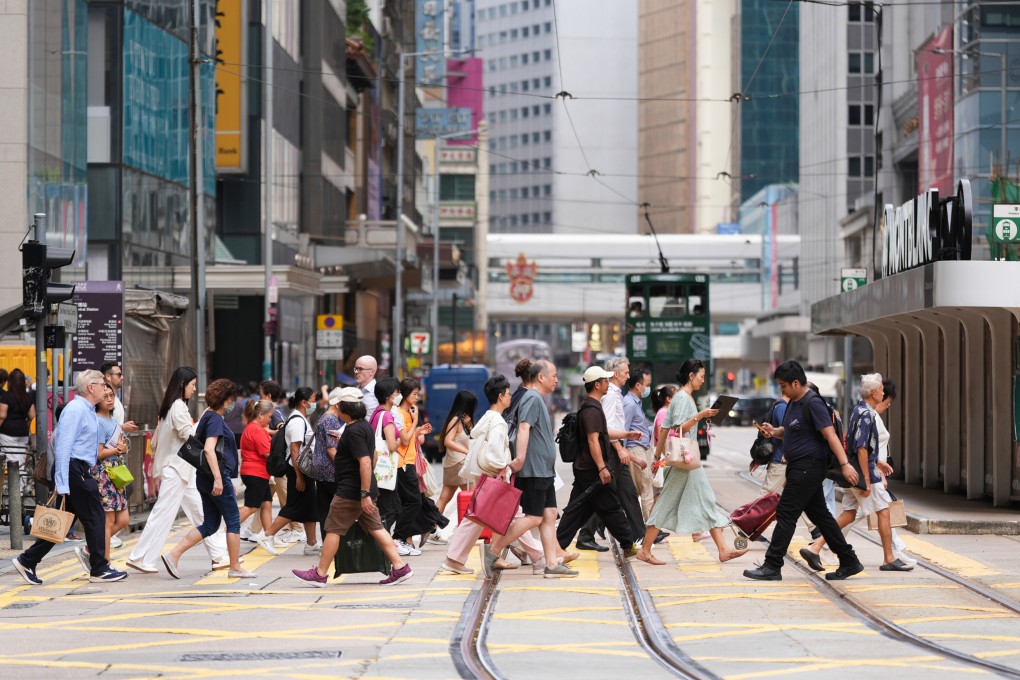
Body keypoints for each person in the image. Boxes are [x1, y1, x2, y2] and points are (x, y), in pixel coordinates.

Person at [743, 360, 863, 582]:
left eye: (784, 386)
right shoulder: (793, 403)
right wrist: (774, 431)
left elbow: (830, 435)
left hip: (809, 467)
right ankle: (849, 560)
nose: (782, 390)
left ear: (796, 382)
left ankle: (772, 565)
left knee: (787, 514)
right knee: (822, 517)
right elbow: (789, 431)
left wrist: (845, 465)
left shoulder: (813, 403)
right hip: (799, 467)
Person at [12, 370, 127, 585]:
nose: (105, 387)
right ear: (91, 387)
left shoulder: (87, 409)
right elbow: (64, 447)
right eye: (102, 384)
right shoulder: (75, 410)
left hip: (81, 470)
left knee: (62, 524)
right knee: (96, 517)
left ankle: (27, 560)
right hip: (75, 470)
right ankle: (100, 568)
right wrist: (62, 482)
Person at [292, 387, 413, 587]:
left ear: (342, 407)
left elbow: (366, 461)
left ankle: (320, 573)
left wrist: (364, 493)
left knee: (333, 528)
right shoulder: (362, 426)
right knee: (376, 527)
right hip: (361, 489)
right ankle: (400, 567)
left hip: (352, 491)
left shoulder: (354, 430)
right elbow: (372, 456)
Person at [798, 374, 912, 573]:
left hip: (857, 472)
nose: (884, 393)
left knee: (849, 514)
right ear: (874, 392)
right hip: (864, 473)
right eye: (881, 390)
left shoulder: (858, 410)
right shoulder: (867, 414)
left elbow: (857, 445)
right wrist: (867, 479)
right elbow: (861, 448)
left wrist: (879, 461)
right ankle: (889, 557)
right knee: (883, 512)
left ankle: (815, 547)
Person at [637, 359, 747, 565]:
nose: (703, 381)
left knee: (705, 501)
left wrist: (658, 457)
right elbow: (678, 428)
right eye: (701, 376)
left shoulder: (683, 397)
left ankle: (723, 549)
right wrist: (700, 415)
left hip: (688, 463)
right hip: (685, 462)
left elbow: (663, 429)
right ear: (691, 375)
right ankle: (645, 549)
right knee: (667, 504)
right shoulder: (682, 398)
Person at [127, 367, 229, 573]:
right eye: (192, 385)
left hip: (183, 469)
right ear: (182, 385)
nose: (193, 390)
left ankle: (219, 555)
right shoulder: (178, 406)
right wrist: (205, 419)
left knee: (201, 513)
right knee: (163, 514)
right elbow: (189, 435)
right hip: (176, 469)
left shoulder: (171, 406)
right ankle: (140, 558)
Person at [485, 360, 577, 579]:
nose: (556, 379)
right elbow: (524, 427)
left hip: (543, 470)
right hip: (534, 469)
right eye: (553, 375)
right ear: (541, 377)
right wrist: (521, 458)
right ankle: (493, 551)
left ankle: (551, 564)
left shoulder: (536, 398)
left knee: (549, 515)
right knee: (534, 517)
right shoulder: (533, 398)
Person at [161, 379, 256, 579]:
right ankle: (235, 567)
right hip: (214, 478)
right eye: (232, 399)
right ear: (227, 399)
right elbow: (209, 450)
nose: (233, 403)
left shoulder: (208, 416)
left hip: (204, 478)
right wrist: (219, 480)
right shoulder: (214, 419)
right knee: (233, 522)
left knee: (211, 524)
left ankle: (173, 554)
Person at [555, 367, 637, 561]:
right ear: (597, 384)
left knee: (578, 508)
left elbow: (604, 433)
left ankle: (556, 545)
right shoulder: (591, 409)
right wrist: (602, 467)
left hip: (586, 468)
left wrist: (626, 434)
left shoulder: (593, 406)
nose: (609, 383)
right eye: (606, 381)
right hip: (592, 469)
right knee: (611, 506)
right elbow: (593, 441)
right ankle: (628, 544)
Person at [577, 357, 645, 550]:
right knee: (606, 493)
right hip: (613, 449)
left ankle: (641, 536)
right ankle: (586, 534)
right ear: (616, 374)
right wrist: (619, 448)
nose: (628, 376)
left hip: (617, 447)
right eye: (626, 372)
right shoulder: (611, 395)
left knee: (627, 493)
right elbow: (604, 428)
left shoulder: (616, 393)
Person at [260, 387, 321, 555]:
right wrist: (299, 477)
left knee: (310, 506)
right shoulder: (296, 421)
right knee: (294, 506)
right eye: (313, 400)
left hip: (302, 469)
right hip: (298, 470)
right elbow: (295, 451)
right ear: (304, 402)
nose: (314, 404)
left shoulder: (300, 418)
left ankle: (311, 543)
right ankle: (268, 535)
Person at [392, 378, 447, 553]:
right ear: (405, 394)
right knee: (414, 501)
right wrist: (416, 422)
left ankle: (404, 539)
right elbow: (404, 439)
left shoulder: (409, 412)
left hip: (410, 461)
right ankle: (398, 538)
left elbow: (411, 437)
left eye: (417, 393)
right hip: (402, 462)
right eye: (414, 394)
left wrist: (419, 431)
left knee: (413, 501)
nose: (417, 397)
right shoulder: (399, 413)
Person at [82, 385, 130, 569]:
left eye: (112, 396)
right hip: (103, 472)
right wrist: (116, 450)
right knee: (108, 521)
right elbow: (98, 453)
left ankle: (92, 548)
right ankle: (104, 563)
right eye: (106, 396)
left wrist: (122, 449)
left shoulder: (113, 421)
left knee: (123, 519)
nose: (110, 399)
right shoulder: (98, 422)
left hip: (116, 472)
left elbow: (119, 447)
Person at [238, 399, 279, 556]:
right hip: (256, 472)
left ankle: (268, 537)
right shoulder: (257, 430)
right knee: (251, 506)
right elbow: (268, 453)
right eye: (269, 417)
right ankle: (227, 530)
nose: (270, 420)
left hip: (257, 472)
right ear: (260, 415)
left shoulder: (251, 427)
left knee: (267, 504)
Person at [436, 390, 477, 515]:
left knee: (445, 497)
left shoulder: (464, 421)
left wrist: (470, 425)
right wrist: (466, 451)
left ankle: (429, 528)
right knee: (472, 497)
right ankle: (470, 529)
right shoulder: (456, 420)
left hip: (453, 464)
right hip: (459, 463)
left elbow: (473, 438)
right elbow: (448, 441)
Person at [370, 377, 403, 534]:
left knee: (387, 507)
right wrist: (399, 439)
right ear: (389, 396)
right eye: (397, 392)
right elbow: (391, 445)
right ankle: (381, 544)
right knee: (391, 510)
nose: (399, 395)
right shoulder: (387, 416)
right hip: (385, 471)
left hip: (377, 468)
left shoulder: (376, 414)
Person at [623, 367, 655, 520]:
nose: (648, 388)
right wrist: (624, 454)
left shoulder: (636, 402)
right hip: (635, 450)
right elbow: (624, 430)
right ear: (638, 385)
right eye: (647, 384)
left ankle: (639, 527)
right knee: (646, 488)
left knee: (637, 490)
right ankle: (650, 528)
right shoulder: (629, 404)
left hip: (641, 448)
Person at [0, 368, 36, 496]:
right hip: (22, 433)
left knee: (11, 460)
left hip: (7, 432)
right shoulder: (28, 397)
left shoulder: (6, 396)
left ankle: (16, 490)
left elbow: (2, 416)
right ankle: (21, 488)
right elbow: (32, 415)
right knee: (20, 459)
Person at [750, 394, 790, 495]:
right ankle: (751, 512)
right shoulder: (782, 408)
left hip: (784, 461)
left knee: (791, 500)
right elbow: (788, 433)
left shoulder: (778, 406)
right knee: (765, 497)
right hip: (781, 461)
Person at [100, 362, 139, 434]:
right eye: (119, 375)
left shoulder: (116, 399)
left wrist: (124, 427)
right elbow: (100, 425)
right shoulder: (101, 399)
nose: (122, 377)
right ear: (108, 377)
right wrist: (122, 427)